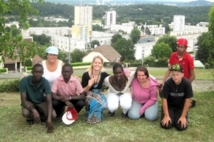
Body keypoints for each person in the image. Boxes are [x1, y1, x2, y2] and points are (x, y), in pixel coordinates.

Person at [19, 64, 55, 133]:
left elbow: (49, 101)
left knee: (53, 115)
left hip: (41, 102)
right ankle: (32, 117)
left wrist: (49, 119)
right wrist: (33, 110)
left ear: (42, 73)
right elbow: (23, 100)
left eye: (40, 72)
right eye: (36, 72)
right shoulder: (24, 81)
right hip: (29, 102)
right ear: (32, 72)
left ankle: (41, 118)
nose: (38, 74)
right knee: (25, 113)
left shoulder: (45, 82)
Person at [160, 38, 196, 107]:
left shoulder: (189, 58)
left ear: (185, 48)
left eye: (181, 47)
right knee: (165, 93)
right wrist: (163, 81)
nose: (179, 48)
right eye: (178, 46)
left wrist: (187, 85)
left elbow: (193, 75)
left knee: (181, 103)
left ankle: (190, 104)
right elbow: (169, 70)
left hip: (184, 81)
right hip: (174, 80)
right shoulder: (173, 55)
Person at [160, 64, 193, 131]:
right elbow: (164, 99)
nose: (175, 77)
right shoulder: (168, 83)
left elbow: (187, 100)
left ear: (182, 74)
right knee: (166, 125)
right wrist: (166, 115)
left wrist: (183, 116)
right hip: (170, 106)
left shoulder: (187, 83)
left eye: (177, 74)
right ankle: (168, 115)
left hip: (181, 107)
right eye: (173, 74)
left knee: (181, 126)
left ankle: (179, 116)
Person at [81, 56, 109, 124]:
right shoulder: (86, 75)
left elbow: (112, 78)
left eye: (99, 63)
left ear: (102, 65)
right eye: (95, 62)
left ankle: (92, 112)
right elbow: (83, 91)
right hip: (88, 94)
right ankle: (93, 114)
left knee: (106, 104)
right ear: (92, 63)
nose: (97, 64)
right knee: (95, 102)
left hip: (98, 93)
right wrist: (89, 85)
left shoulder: (103, 74)